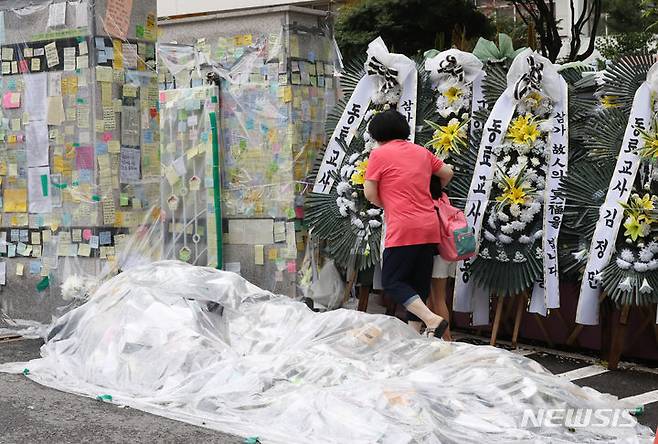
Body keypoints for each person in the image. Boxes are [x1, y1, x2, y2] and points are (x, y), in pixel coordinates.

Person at [364, 109, 453, 338]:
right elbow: (447, 172)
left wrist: (389, 203)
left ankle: (432, 319)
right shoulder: (421, 152)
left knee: (392, 281)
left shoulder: (379, 154)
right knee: (418, 283)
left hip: (402, 227)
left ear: (378, 133)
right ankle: (413, 337)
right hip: (429, 226)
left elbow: (369, 193)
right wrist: (433, 191)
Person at [427, 175, 456, 341]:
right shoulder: (444, 198)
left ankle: (447, 338)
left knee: (437, 297)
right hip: (447, 252)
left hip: (435, 253)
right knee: (437, 296)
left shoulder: (428, 201)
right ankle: (434, 335)